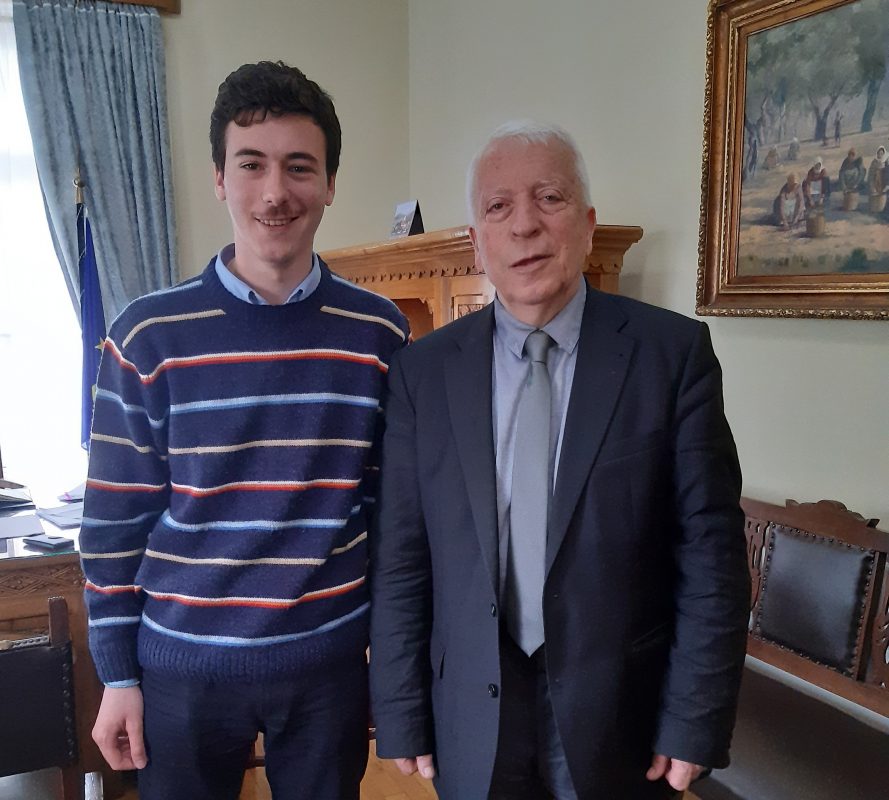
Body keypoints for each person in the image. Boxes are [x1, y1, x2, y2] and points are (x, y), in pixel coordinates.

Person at [369, 121, 749, 799]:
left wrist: (694, 719)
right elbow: (401, 555)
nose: (525, 226)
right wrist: (400, 711)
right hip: (471, 709)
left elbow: (711, 557)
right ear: (477, 240)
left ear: (587, 224)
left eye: (549, 198)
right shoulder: (421, 373)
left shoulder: (671, 357)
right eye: (499, 207)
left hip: (619, 712)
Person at [80, 61, 409, 800]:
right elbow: (114, 521)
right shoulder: (147, 335)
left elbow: (391, 515)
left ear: (329, 183)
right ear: (219, 179)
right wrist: (118, 674)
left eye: (300, 167)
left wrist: (390, 664)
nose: (274, 192)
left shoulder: (378, 333)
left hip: (329, 668)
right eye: (251, 164)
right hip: (180, 671)